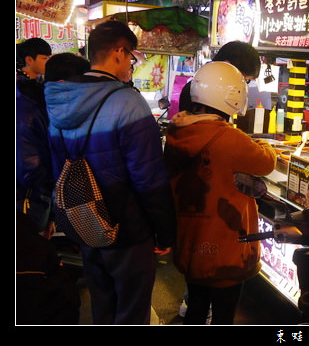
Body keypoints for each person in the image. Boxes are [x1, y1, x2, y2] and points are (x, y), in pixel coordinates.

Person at [45, 20, 176, 325]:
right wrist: (166, 232)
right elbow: (149, 179)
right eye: (131, 56)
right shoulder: (128, 102)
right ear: (119, 51)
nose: (131, 63)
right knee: (131, 311)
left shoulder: (58, 100)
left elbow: (57, 168)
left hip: (86, 224)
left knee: (102, 306)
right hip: (128, 229)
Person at [164, 61, 277, 325]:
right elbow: (266, 162)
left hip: (190, 244)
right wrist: (262, 143)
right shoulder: (229, 138)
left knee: (196, 308)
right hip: (226, 250)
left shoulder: (177, 131)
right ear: (233, 96)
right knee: (224, 316)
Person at [16, 38, 54, 238]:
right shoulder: (25, 95)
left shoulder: (32, 89)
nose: (48, 62)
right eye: (44, 58)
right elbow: (26, 150)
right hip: (29, 189)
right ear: (29, 59)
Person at [178, 41, 262, 111]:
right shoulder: (201, 90)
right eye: (244, 79)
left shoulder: (200, 85)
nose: (244, 86)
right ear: (227, 65)